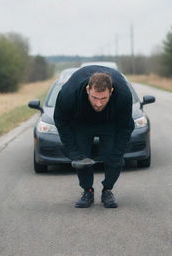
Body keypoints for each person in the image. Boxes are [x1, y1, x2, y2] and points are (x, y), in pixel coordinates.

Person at [54, 65, 134, 208]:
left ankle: (107, 190)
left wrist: (118, 153)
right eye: (94, 97)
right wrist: (73, 152)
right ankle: (87, 191)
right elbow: (61, 122)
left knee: (114, 157)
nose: (98, 103)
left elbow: (126, 127)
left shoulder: (123, 95)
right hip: (81, 122)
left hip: (110, 122)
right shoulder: (69, 94)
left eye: (103, 98)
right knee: (81, 157)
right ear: (87, 90)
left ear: (112, 91)